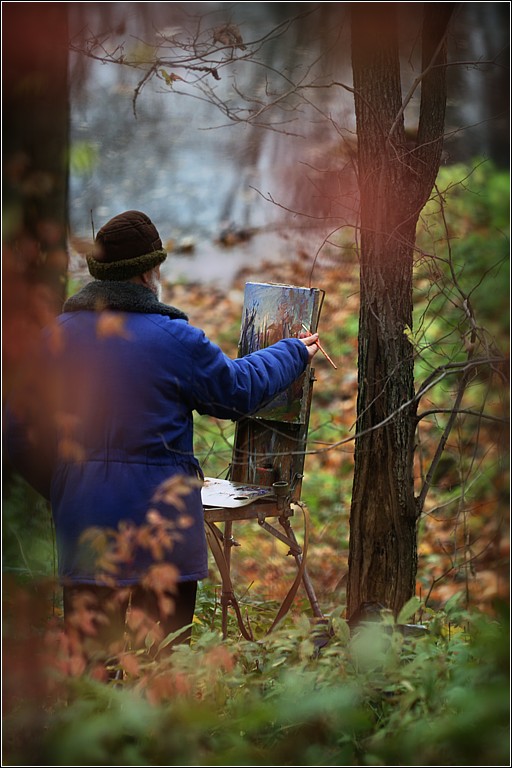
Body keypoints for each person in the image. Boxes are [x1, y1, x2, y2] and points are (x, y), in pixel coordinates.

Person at [4, 209, 319, 667]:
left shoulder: (56, 337)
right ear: (149, 271)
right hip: (163, 532)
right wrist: (292, 350)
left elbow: (17, 434)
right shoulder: (175, 339)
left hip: (86, 530)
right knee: (162, 669)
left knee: (93, 674)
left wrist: (64, 488)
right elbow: (236, 392)